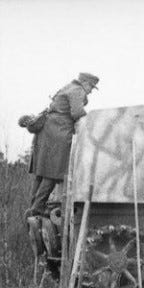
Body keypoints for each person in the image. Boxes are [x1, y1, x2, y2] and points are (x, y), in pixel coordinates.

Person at [27, 72, 99, 217]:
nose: (91, 90)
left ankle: (32, 207)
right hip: (60, 132)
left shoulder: (68, 87)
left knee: (42, 172)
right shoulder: (77, 90)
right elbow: (77, 112)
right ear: (85, 83)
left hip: (49, 132)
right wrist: (92, 122)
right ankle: (37, 208)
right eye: (91, 87)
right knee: (54, 173)